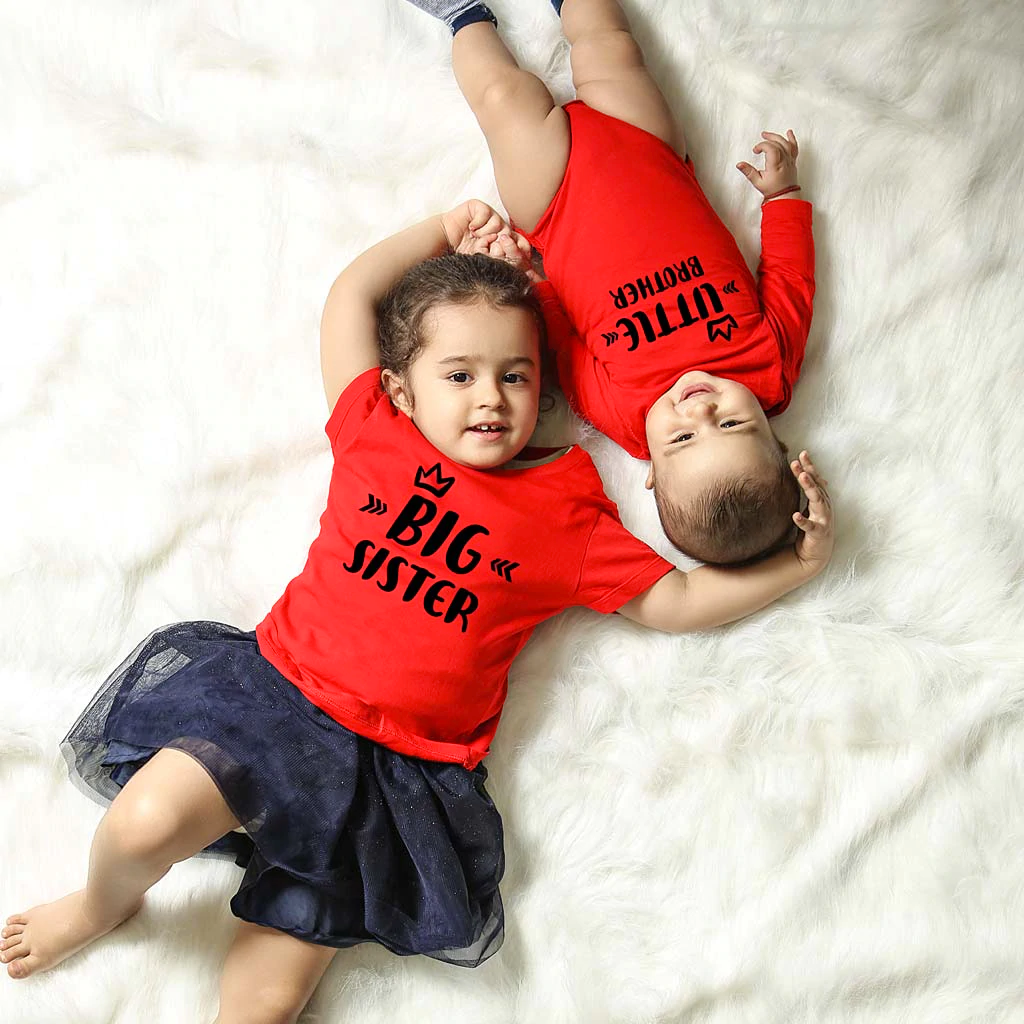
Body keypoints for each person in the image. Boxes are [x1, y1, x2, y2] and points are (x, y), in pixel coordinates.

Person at [1, 200, 831, 1023]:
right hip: (274, 703)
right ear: (402, 388)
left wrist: (798, 566)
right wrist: (441, 227)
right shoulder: (374, 431)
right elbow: (350, 299)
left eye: (516, 375)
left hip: (389, 779)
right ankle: (99, 906)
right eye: (459, 374)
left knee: (266, 1005)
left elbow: (677, 600)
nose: (492, 397)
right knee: (142, 823)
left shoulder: (566, 513)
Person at [402, 0, 817, 565]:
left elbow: (564, 345)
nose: (699, 411)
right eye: (732, 422)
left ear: (651, 472)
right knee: (611, 47)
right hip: (648, 153)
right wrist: (782, 198)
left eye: (682, 439)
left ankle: (464, 15)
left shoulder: (624, 414)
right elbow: (791, 278)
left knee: (503, 100)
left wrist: (525, 277)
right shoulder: (770, 367)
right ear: (775, 437)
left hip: (555, 199)